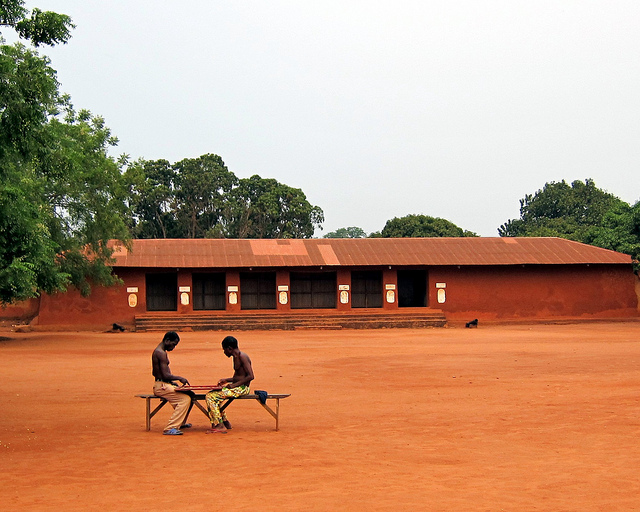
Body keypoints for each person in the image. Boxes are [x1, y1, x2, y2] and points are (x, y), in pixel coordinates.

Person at [205, 335, 254, 433]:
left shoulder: (242, 357)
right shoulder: (236, 357)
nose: (224, 352)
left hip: (242, 388)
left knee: (210, 397)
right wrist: (227, 380)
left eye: (224, 350)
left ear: (230, 348)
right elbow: (239, 376)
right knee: (214, 394)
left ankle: (219, 425)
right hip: (238, 387)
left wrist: (233, 385)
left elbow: (251, 376)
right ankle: (225, 421)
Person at [152, 331, 191, 435]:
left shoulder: (159, 351)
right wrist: (180, 378)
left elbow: (155, 373)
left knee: (190, 395)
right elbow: (165, 375)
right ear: (167, 340)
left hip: (163, 384)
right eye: (173, 344)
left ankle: (180, 422)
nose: (173, 347)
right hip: (161, 386)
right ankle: (170, 427)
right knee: (185, 399)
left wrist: (171, 382)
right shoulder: (161, 353)